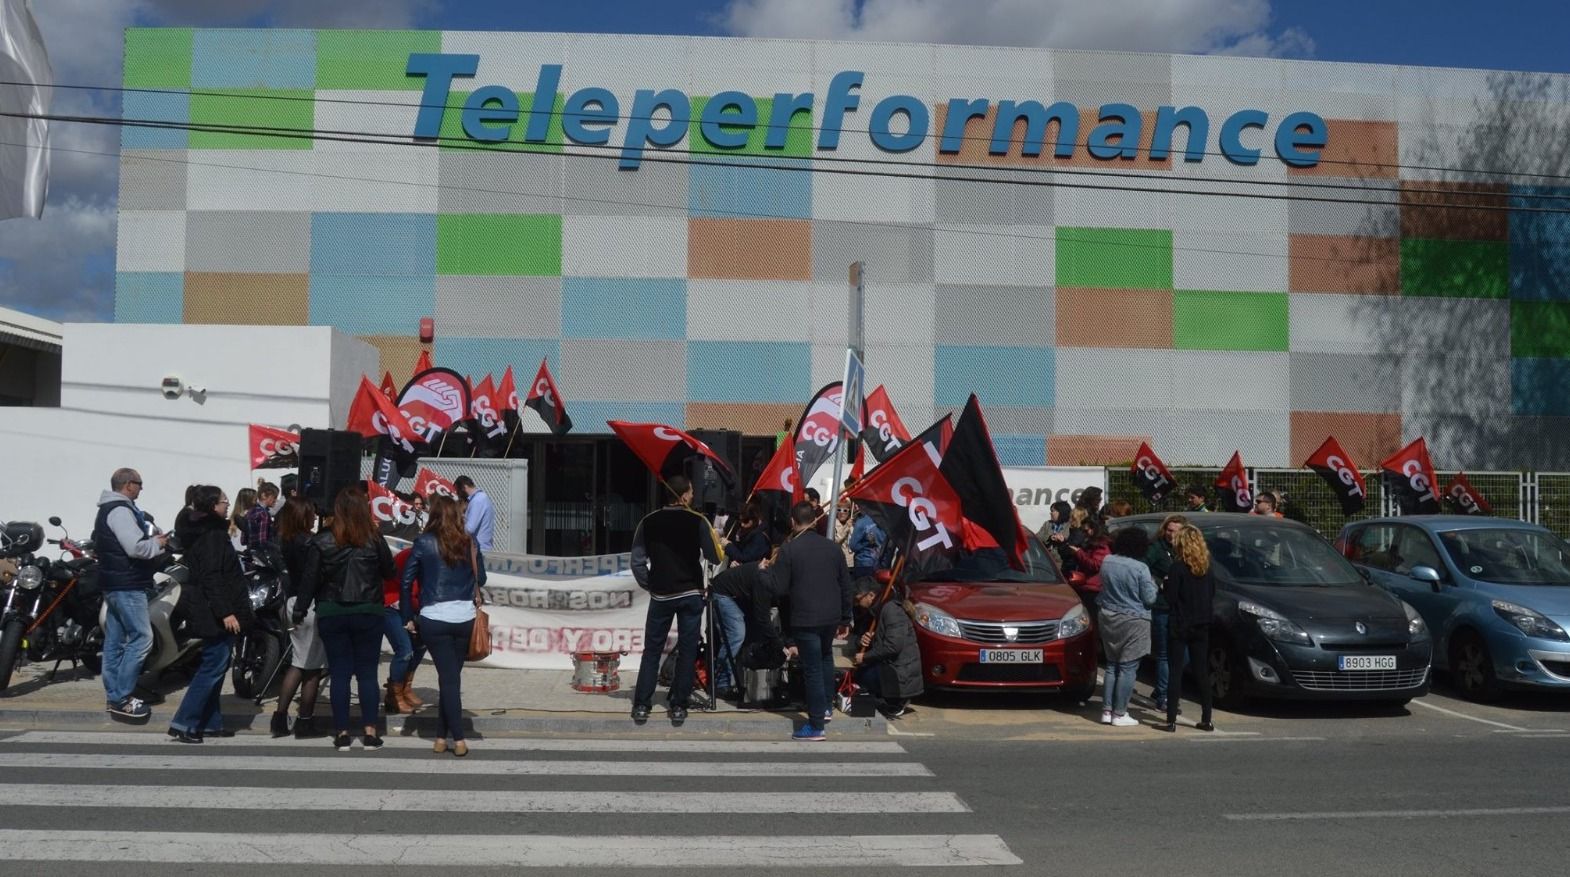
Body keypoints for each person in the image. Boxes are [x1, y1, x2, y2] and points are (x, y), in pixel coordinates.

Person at [295, 486, 396, 751]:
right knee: (366, 673)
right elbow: (389, 571)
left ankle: (342, 733)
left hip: (332, 610)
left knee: (339, 673)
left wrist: (300, 609)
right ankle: (370, 731)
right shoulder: (374, 538)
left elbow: (309, 579)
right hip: (368, 610)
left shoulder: (323, 540)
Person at [629, 475, 725, 727]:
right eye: (691, 493)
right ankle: (679, 705)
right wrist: (717, 540)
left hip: (661, 595)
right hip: (691, 594)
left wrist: (650, 584)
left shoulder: (648, 521)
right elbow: (715, 557)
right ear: (683, 496)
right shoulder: (698, 521)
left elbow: (637, 561)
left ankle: (641, 704)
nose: (693, 497)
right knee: (687, 650)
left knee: (652, 650)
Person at [401, 494, 485, 756]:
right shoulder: (468, 542)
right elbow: (480, 577)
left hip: (433, 617)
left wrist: (407, 616)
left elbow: (406, 581)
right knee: (451, 679)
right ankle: (442, 736)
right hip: (463, 617)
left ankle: (455, 738)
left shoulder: (424, 542)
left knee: (448, 679)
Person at [168, 486, 252, 743]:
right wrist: (226, 612)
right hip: (214, 611)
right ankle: (184, 722)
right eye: (224, 502)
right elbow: (213, 577)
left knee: (217, 665)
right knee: (212, 666)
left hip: (210, 607)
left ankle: (210, 722)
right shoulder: (213, 535)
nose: (228, 505)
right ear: (212, 506)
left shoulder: (206, 531)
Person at [772, 501, 853, 741]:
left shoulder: (789, 549)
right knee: (826, 658)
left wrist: (767, 572)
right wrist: (846, 617)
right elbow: (845, 585)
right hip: (830, 615)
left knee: (813, 668)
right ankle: (825, 708)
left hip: (805, 617)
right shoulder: (832, 548)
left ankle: (816, 724)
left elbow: (780, 588)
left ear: (793, 522)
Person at [93, 467, 168, 720]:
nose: (141, 488)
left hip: (116, 584)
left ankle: (115, 695)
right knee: (142, 638)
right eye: (139, 483)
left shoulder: (110, 508)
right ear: (128, 485)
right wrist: (157, 544)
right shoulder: (120, 510)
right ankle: (122, 697)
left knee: (115, 641)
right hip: (127, 584)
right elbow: (136, 547)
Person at [270, 496, 326, 738]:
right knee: (312, 668)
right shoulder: (308, 543)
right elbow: (311, 577)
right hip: (307, 604)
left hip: (292, 601)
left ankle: (280, 718)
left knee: (298, 662)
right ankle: (305, 721)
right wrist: (304, 606)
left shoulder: (285, 539)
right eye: (311, 512)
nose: (314, 516)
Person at [1156, 525, 1217, 733]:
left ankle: (1170, 719)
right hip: (1202, 623)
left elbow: (1171, 598)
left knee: (1175, 671)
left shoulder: (1177, 567)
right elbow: (1212, 593)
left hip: (1180, 622)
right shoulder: (1206, 567)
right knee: (1201, 671)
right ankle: (1207, 718)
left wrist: (1165, 587)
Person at [1096, 527, 1158, 727]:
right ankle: (1120, 712)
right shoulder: (1140, 568)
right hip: (1134, 619)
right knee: (1128, 667)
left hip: (1108, 615)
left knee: (1112, 665)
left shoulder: (1108, 561)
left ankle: (1107, 710)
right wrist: (1156, 586)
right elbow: (1149, 599)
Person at [851, 579, 923, 719]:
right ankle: (889, 697)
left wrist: (864, 657)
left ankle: (897, 700)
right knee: (861, 673)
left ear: (871, 595)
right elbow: (884, 641)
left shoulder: (891, 610)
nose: (858, 604)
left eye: (858, 599)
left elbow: (893, 647)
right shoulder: (878, 611)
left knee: (864, 676)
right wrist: (866, 640)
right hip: (895, 666)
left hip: (901, 671)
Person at [1145, 514, 1188, 712]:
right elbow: (1143, 568)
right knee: (1164, 654)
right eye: (1169, 530)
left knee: (1183, 656)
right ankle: (1164, 696)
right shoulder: (1157, 548)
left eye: (1175, 531)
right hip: (1162, 606)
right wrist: (1159, 582)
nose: (1171, 534)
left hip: (1182, 607)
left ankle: (1161, 689)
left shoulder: (1186, 550)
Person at [382, 541, 426, 716]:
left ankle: (405, 686)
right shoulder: (410, 556)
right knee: (405, 650)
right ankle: (394, 693)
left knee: (421, 645)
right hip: (391, 605)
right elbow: (407, 589)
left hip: (409, 606)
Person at [1070, 517, 1111, 616]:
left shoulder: (1102, 545)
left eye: (1086, 530)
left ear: (1093, 529)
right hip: (1084, 586)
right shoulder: (1089, 543)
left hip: (1094, 589)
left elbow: (1096, 565)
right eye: (1082, 531)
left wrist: (1078, 553)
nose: (1084, 533)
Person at [454, 475, 494, 552]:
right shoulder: (480, 498)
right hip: (480, 548)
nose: (457, 494)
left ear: (464, 487)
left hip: (479, 550)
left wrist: (454, 530)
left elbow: (469, 529)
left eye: (458, 491)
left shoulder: (477, 501)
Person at [723, 503, 770, 567]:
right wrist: (730, 544)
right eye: (741, 521)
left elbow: (746, 558)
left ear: (751, 521)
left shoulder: (759, 537)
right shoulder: (749, 531)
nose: (742, 524)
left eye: (745, 521)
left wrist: (728, 546)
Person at [847, 502, 885, 580]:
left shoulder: (862, 522)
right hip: (882, 564)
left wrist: (865, 543)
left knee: (863, 589)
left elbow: (853, 546)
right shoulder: (886, 522)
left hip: (864, 564)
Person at [243, 482, 279, 548]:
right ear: (264, 495)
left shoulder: (249, 511)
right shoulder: (263, 514)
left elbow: (243, 540)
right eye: (274, 497)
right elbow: (262, 541)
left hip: (250, 551)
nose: (276, 500)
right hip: (261, 554)